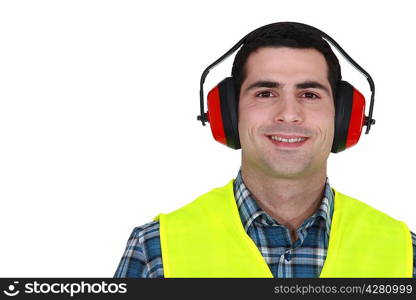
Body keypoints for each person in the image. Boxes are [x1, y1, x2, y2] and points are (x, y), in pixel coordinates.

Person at [114, 22, 415, 278]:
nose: (288, 114)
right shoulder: (155, 250)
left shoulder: (405, 254)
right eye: (266, 93)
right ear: (228, 114)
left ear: (344, 117)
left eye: (309, 94)